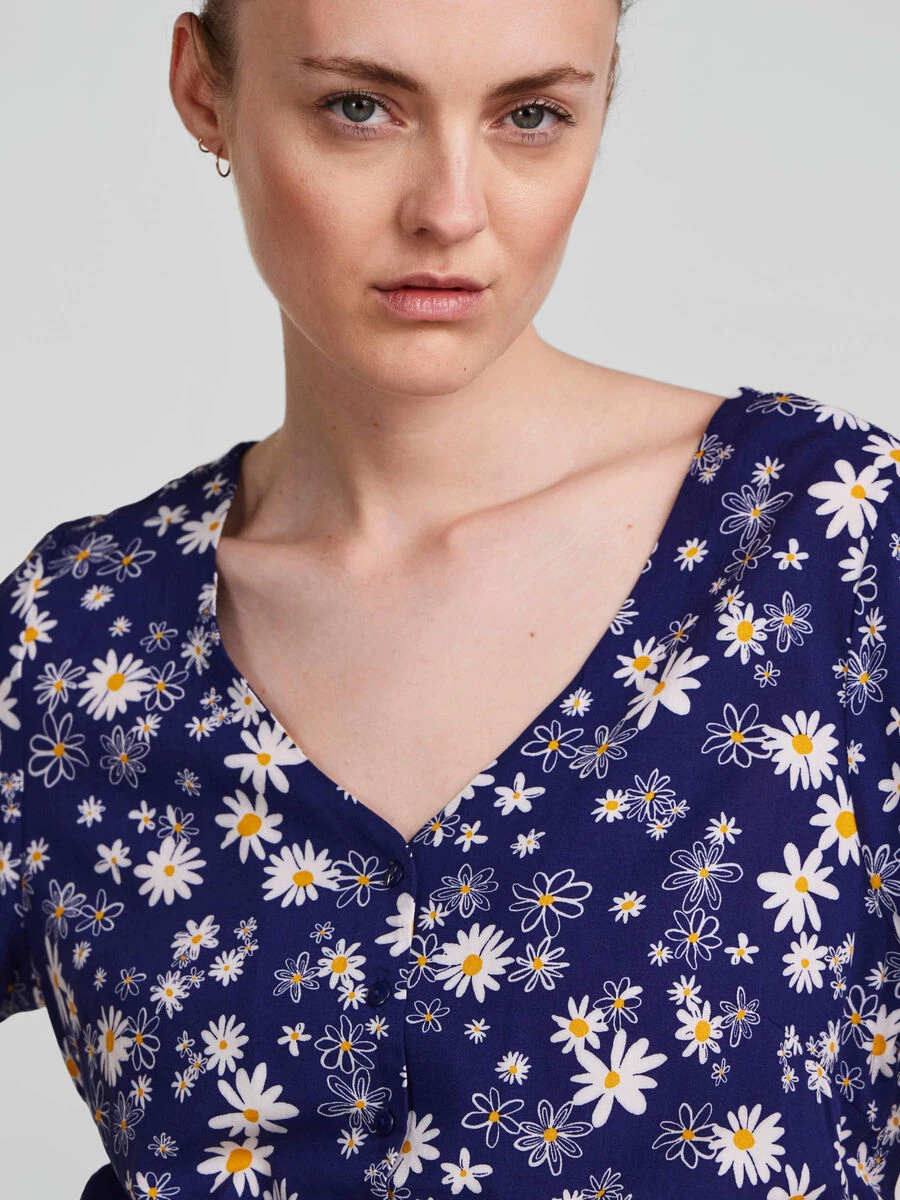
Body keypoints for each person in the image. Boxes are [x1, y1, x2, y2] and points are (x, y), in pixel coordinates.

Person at [2, 1, 899, 1197]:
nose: (451, 210)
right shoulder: (74, 641)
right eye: (359, 107)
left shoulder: (831, 544)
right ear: (206, 91)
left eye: (531, 116)